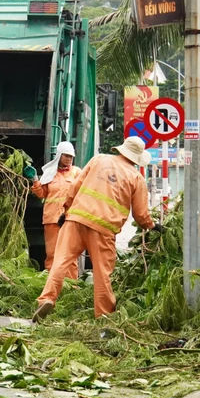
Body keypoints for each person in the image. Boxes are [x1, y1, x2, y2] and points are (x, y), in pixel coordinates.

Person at [33, 136, 161, 321]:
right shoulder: (136, 178)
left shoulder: (99, 159)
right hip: (103, 229)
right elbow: (141, 216)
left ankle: (47, 299)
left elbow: (75, 187)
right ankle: (103, 316)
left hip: (76, 219)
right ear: (137, 158)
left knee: (60, 262)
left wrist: (66, 210)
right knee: (102, 274)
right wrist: (154, 226)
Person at [26, 141, 82, 277]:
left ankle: (71, 286)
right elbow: (42, 194)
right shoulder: (49, 173)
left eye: (71, 156)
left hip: (70, 219)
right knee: (52, 253)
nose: (69, 159)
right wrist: (34, 180)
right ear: (59, 156)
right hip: (52, 219)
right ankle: (51, 284)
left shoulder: (77, 172)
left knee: (70, 254)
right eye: (66, 156)